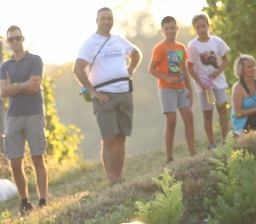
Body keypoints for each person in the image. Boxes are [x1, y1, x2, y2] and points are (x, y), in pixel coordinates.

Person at [73, 7, 141, 185]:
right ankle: (112, 179)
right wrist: (92, 91)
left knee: (121, 137)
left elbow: (136, 54)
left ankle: (119, 176)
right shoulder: (90, 43)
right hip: (104, 96)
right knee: (109, 138)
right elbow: (78, 69)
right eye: (103, 18)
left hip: (124, 92)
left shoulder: (118, 40)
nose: (106, 22)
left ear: (112, 21)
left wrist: (129, 71)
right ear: (96, 21)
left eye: (109, 18)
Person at [0, 25, 48, 213]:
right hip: (13, 116)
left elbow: (34, 86)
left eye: (17, 38)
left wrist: (14, 86)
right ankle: (25, 201)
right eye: (11, 39)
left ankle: (43, 200)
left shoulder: (35, 60)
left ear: (22, 39)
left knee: (37, 157)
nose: (15, 42)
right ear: (7, 42)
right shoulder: (5, 66)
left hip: (34, 113)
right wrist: (23, 85)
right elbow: (3, 91)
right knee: (14, 161)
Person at [148, 16, 196, 161]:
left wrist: (189, 89)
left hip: (182, 88)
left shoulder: (181, 47)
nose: (170, 31)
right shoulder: (160, 48)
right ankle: (169, 156)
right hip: (167, 89)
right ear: (162, 31)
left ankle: (193, 152)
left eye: (172, 28)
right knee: (172, 121)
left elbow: (184, 70)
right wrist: (167, 78)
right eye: (167, 29)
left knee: (189, 117)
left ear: (177, 29)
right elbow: (152, 69)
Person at [186, 13, 231, 149]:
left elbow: (226, 60)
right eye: (198, 27)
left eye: (203, 26)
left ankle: (226, 139)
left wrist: (218, 71)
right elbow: (189, 67)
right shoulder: (193, 46)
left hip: (218, 82)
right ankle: (212, 143)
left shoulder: (217, 42)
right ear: (194, 29)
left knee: (222, 110)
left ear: (208, 26)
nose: (201, 29)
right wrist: (201, 84)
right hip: (203, 85)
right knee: (207, 113)